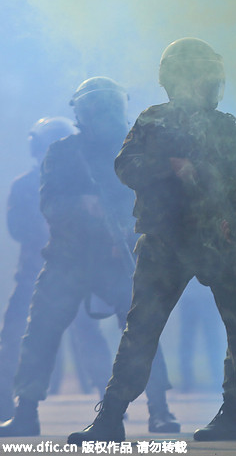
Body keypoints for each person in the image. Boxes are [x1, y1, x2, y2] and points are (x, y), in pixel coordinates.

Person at [67, 38, 236, 445]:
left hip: (220, 239)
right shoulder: (153, 121)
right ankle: (110, 417)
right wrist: (169, 166)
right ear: (180, 78)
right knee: (141, 330)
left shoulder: (225, 125)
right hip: (166, 240)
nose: (210, 83)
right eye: (202, 74)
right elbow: (125, 167)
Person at [0, 80, 178, 438]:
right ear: (82, 113)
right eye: (97, 108)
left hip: (117, 260)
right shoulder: (64, 152)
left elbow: (155, 202)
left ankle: (159, 409)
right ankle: (27, 409)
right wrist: (83, 207)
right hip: (69, 259)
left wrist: (127, 235)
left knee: (142, 333)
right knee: (40, 333)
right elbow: (49, 204)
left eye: (109, 107)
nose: (104, 116)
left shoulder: (134, 150)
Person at [0, 117, 113, 419]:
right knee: (16, 337)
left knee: (83, 336)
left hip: (69, 271)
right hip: (38, 274)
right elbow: (17, 229)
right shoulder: (27, 184)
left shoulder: (78, 183)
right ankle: (7, 405)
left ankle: (108, 399)